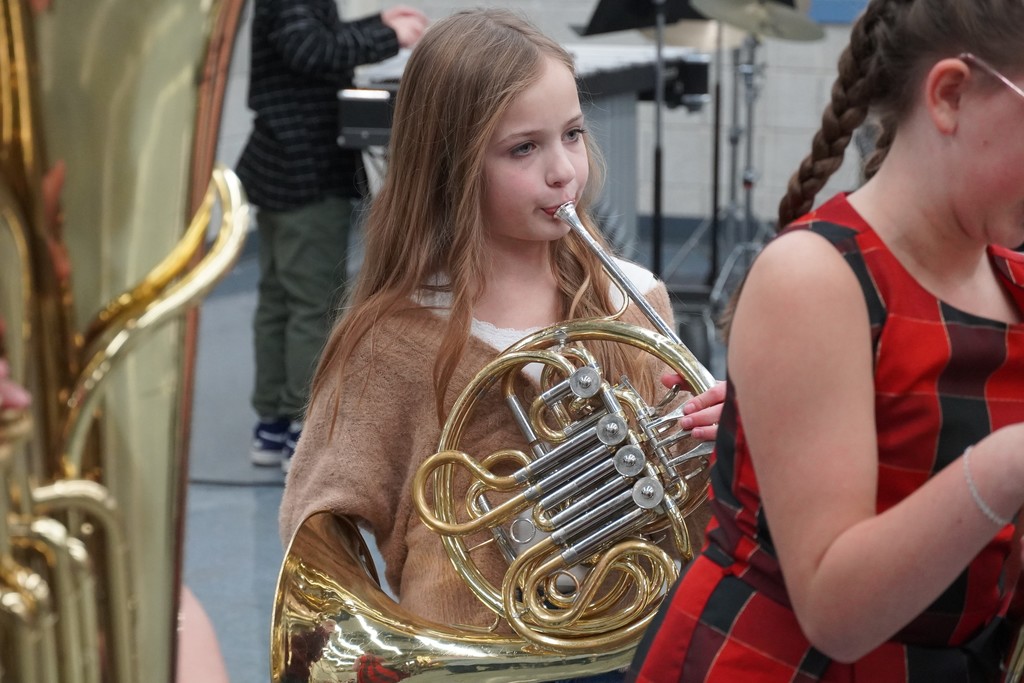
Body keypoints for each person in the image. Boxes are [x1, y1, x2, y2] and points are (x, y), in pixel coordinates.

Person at [278, 8, 724, 679]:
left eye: (572, 134)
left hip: (630, 651)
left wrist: (718, 441)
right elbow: (314, 521)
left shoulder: (631, 301)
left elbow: (686, 501)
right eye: (524, 148)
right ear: (450, 166)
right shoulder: (394, 338)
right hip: (467, 658)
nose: (562, 170)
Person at [629, 1, 1024, 681]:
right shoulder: (813, 278)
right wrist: (1011, 461)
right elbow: (836, 612)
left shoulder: (1011, 278)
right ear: (951, 95)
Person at [237, 0, 429, 473]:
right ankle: (305, 429)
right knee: (312, 304)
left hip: (279, 166)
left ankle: (273, 424)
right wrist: (390, 37)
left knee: (280, 300)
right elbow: (312, 47)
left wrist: (376, 24)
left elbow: (316, 36)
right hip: (306, 172)